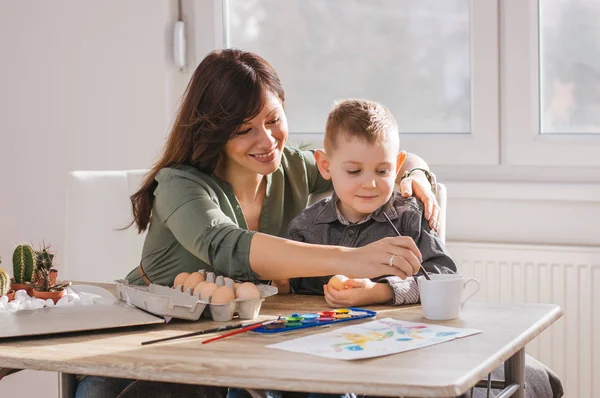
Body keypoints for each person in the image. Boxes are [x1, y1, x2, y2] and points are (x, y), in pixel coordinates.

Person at [75, 49, 440, 398]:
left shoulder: (293, 167)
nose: (267, 140)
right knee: (97, 391)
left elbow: (367, 153)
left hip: (236, 339)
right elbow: (225, 246)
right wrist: (351, 259)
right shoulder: (179, 184)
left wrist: (416, 173)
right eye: (244, 128)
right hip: (152, 332)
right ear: (215, 130)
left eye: (273, 119)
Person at [272, 98, 456, 308]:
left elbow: (444, 275)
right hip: (326, 334)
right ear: (325, 165)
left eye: (382, 171)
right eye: (354, 171)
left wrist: (382, 291)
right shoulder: (305, 226)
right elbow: (291, 289)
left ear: (397, 166)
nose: (369, 184)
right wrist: (284, 285)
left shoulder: (410, 219)